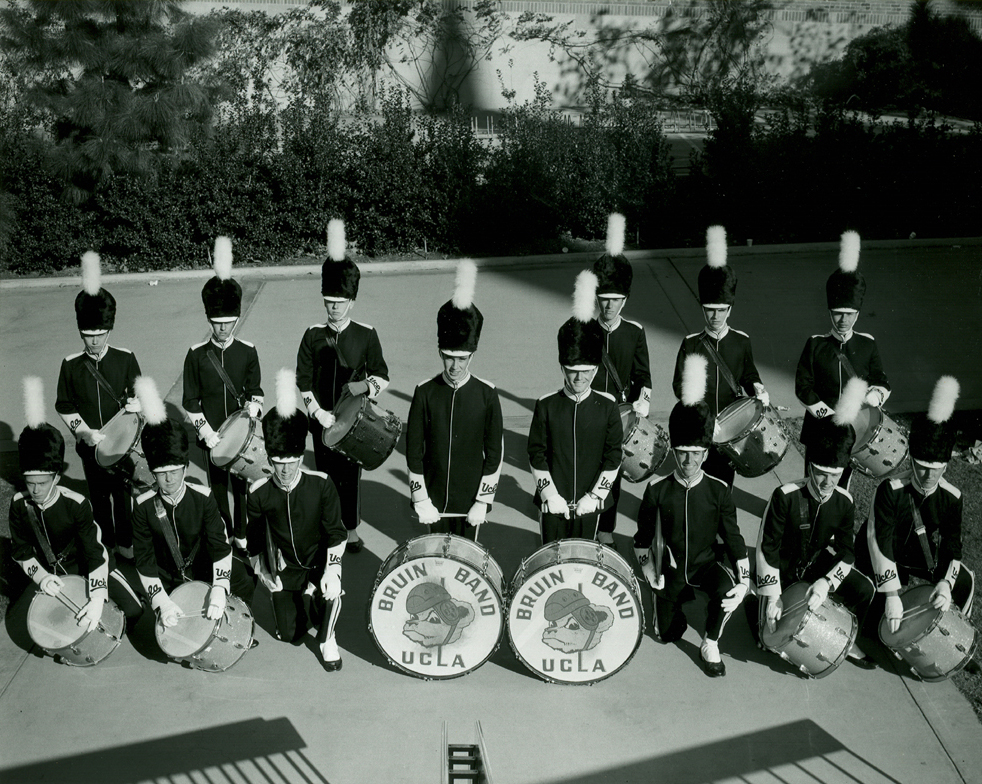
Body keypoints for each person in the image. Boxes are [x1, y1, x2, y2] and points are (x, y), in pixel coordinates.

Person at [634, 354, 751, 677]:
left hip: (705, 565)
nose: (689, 462)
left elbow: (733, 538)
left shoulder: (718, 490)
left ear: (706, 452)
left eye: (696, 454)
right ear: (674, 452)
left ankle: (711, 641)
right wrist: (650, 571)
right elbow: (642, 541)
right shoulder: (657, 490)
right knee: (664, 634)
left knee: (727, 593)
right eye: (683, 454)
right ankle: (675, 605)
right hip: (670, 571)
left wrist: (745, 580)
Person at [756, 377, 876, 669]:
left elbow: (847, 553)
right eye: (821, 473)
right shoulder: (785, 496)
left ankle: (842, 634)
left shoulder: (844, 502)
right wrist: (772, 596)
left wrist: (826, 582)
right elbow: (765, 548)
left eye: (834, 475)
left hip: (816, 569)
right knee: (766, 640)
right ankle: (759, 606)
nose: (826, 482)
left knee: (864, 588)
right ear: (810, 467)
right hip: (783, 569)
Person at [856, 376, 976, 665]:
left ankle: (956, 635)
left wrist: (946, 584)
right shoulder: (891, 489)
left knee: (965, 581)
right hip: (878, 557)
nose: (928, 476)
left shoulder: (952, 497)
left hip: (916, 554)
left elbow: (951, 544)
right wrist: (892, 593)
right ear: (911, 462)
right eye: (922, 468)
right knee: (874, 624)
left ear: (946, 465)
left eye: (936, 469)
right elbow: (878, 541)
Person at [10, 377, 144, 634]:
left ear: (57, 477)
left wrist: (96, 599)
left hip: (90, 564)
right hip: (55, 575)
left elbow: (95, 554)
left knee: (134, 611)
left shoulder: (77, 504)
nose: (35, 490)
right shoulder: (19, 506)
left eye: (42, 482)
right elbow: (21, 551)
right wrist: (41, 577)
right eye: (29, 483)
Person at [130, 377, 255, 634]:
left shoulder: (203, 496)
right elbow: (143, 560)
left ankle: (242, 626)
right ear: (153, 473)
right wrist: (161, 601)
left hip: (202, 568)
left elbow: (220, 545)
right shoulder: (143, 507)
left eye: (175, 471)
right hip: (166, 577)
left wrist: (220, 588)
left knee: (243, 577)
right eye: (162, 473)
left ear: (185, 468)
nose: (169, 479)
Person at [297, 219, 389, 554]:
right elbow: (302, 380)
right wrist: (316, 411)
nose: (333, 306)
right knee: (324, 475)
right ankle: (329, 528)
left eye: (339, 301)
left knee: (350, 477)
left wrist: (363, 387)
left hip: (354, 421)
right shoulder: (311, 334)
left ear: (351, 300)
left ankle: (350, 529)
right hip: (321, 419)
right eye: (328, 300)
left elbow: (383, 377)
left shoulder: (366, 334)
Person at [246, 368, 347, 671]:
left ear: (302, 458)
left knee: (331, 593)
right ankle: (300, 599)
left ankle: (328, 637)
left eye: (291, 462)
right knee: (289, 634)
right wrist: (263, 574)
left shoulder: (321, 484)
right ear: (270, 459)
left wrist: (333, 569)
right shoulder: (258, 492)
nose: (285, 470)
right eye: (278, 463)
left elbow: (336, 533)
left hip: (318, 563)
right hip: (286, 567)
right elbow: (253, 542)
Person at [407, 260, 503, 540]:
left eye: (462, 358)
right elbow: (413, 451)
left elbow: (494, 454)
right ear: (440, 353)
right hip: (432, 501)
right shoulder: (424, 391)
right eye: (449, 356)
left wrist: (484, 500)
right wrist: (420, 496)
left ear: (472, 356)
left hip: (471, 501)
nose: (455, 365)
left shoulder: (487, 394)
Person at [55, 252, 142, 558]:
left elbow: (140, 393)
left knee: (123, 494)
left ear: (109, 329)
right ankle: (105, 544)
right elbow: (64, 406)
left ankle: (127, 543)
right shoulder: (70, 365)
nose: (94, 341)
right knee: (98, 496)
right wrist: (84, 432)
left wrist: (136, 404)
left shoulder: (125, 357)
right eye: (88, 335)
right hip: (90, 446)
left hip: (122, 444)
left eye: (100, 334)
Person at [528, 271, 622, 544]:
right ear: (561, 368)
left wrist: (596, 496)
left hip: (590, 505)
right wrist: (549, 494)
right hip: (553, 506)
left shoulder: (608, 406)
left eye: (586, 371)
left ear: (595, 369)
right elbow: (536, 453)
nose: (579, 378)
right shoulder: (546, 405)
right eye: (571, 371)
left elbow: (613, 456)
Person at [672, 225, 768, 487]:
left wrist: (757, 387)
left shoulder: (741, 341)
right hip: (698, 430)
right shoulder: (691, 344)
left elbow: (748, 373)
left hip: (731, 430)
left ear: (730, 308)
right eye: (709, 310)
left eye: (721, 310)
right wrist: (703, 418)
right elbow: (679, 386)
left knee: (724, 486)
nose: (715, 316)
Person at [182, 237, 263, 546]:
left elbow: (256, 389)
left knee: (242, 486)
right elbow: (190, 399)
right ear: (209, 320)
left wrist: (254, 407)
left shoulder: (248, 350)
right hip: (212, 434)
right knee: (217, 486)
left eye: (229, 322)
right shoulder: (196, 354)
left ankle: (241, 533)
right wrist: (205, 431)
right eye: (217, 323)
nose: (223, 329)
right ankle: (224, 530)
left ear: (237, 319)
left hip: (242, 434)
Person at [795, 230, 890, 488]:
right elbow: (803, 386)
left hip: (852, 431)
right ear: (829, 312)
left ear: (858, 314)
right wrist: (825, 413)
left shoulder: (867, 344)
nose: (843, 320)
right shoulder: (815, 344)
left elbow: (881, 379)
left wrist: (876, 395)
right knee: (812, 483)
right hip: (818, 429)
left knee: (841, 485)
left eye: (849, 314)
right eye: (838, 313)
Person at [591, 213, 652, 546]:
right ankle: (587, 522)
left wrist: (642, 402)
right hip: (588, 413)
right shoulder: (585, 329)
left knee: (612, 477)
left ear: (624, 301)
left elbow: (643, 375)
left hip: (620, 416)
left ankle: (606, 529)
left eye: (615, 301)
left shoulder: (635, 333)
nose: (609, 306)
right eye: (604, 300)